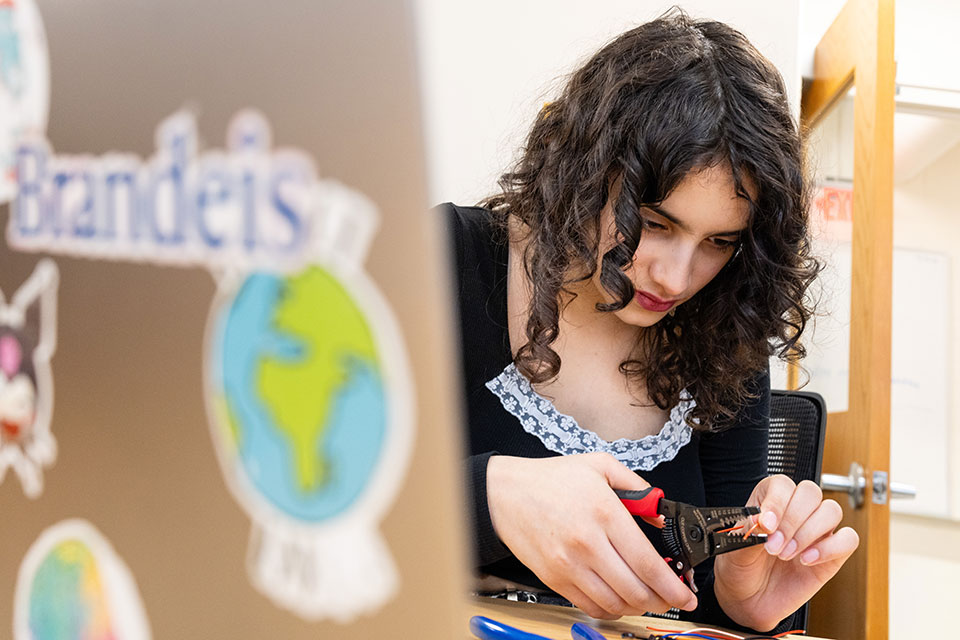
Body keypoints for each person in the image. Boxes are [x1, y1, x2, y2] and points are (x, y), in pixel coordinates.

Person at [439, 11, 859, 634]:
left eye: (719, 241)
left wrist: (746, 603)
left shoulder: (726, 334)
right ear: (582, 172)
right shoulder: (444, 259)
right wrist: (490, 496)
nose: (676, 277)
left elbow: (701, 607)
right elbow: (299, 506)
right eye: (655, 224)